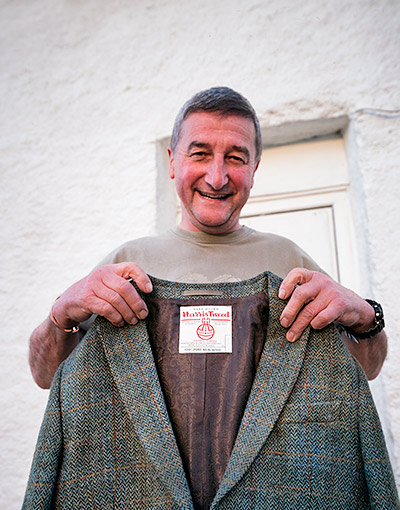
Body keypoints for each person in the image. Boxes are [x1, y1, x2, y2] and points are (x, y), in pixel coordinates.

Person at [29, 87, 386, 389]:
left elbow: (366, 370)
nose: (217, 177)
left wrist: (366, 316)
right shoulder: (127, 262)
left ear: (254, 169)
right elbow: (45, 375)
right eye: (200, 154)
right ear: (172, 162)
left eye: (235, 157)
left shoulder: (290, 261)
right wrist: (62, 312)